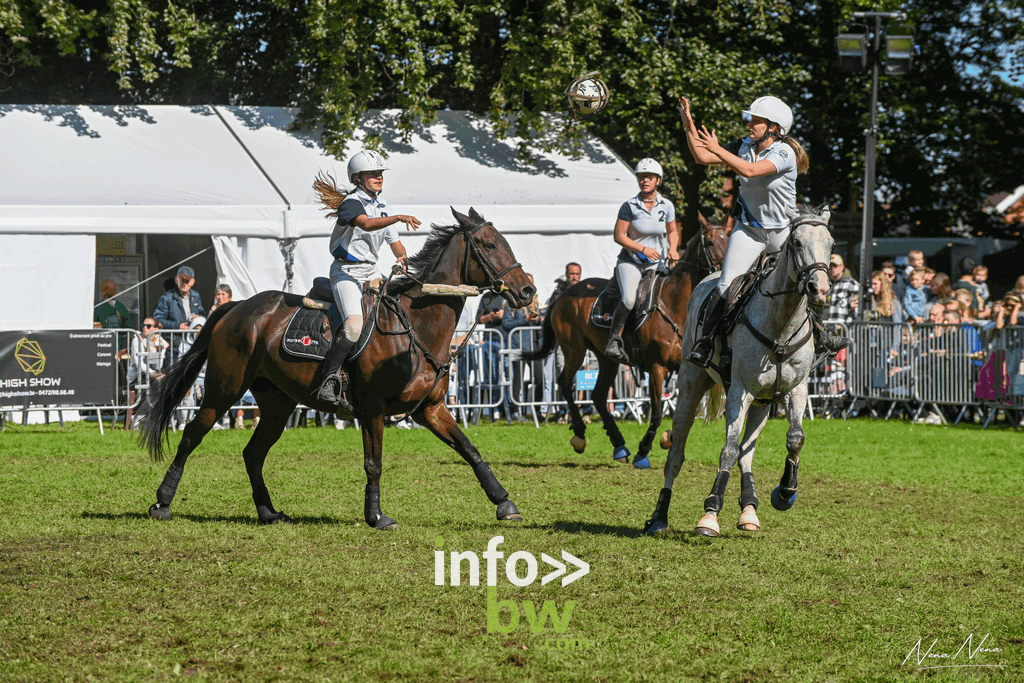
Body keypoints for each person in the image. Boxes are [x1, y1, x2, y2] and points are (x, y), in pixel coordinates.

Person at [677, 95, 849, 365]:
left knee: (808, 279)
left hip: (782, 230)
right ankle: (707, 342)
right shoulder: (744, 145)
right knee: (725, 283)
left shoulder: (784, 152)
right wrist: (688, 124)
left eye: (756, 121)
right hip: (749, 230)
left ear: (773, 127)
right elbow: (701, 156)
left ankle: (820, 335)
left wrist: (718, 148)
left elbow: (750, 170)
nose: (750, 124)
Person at [312, 151, 421, 409]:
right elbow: (368, 224)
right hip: (346, 274)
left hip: (371, 272)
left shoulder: (384, 207)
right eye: (373, 174)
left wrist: (402, 258)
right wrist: (399, 217)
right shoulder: (351, 203)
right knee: (353, 326)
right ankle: (328, 379)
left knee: (397, 312)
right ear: (358, 178)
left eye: (381, 174)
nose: (379, 178)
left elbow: (395, 244)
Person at [604, 158, 679, 362]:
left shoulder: (667, 205)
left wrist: (673, 249)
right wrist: (643, 248)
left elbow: (672, 230)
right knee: (629, 299)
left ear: (658, 180)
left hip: (657, 264)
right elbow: (619, 236)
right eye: (641, 177)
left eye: (649, 177)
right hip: (632, 262)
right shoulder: (629, 206)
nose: (644, 180)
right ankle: (614, 340)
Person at [502, 273, 542, 421]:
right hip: (518, 347)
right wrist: (525, 319)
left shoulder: (536, 304)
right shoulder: (511, 304)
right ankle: (515, 412)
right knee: (517, 380)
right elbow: (506, 324)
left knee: (540, 378)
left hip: (533, 347)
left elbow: (538, 327)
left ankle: (537, 411)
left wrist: (540, 320)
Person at [153, 266, 206, 332]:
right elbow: (157, 320)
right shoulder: (166, 297)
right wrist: (177, 326)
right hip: (174, 339)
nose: (184, 284)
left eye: (187, 281)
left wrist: (198, 318)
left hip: (192, 337)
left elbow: (202, 315)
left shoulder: (196, 296)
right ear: (176, 280)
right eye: (182, 280)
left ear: (193, 282)